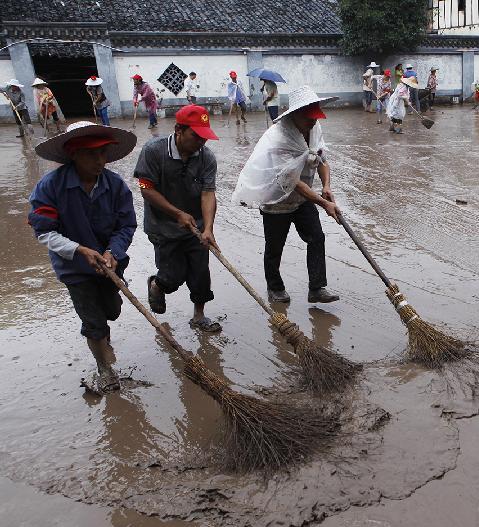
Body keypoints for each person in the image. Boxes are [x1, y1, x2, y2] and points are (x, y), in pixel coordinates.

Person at [28, 121, 138, 391]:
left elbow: (126, 225)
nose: (99, 160)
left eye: (103, 153)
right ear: (73, 154)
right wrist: (79, 249)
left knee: (111, 311)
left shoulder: (115, 186)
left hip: (110, 265)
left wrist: (112, 252)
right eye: (91, 153)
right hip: (75, 269)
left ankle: (102, 337)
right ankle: (104, 368)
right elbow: (44, 233)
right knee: (93, 321)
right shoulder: (50, 187)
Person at [232, 86, 342, 304]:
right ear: (296, 115)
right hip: (277, 199)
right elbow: (291, 181)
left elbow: (322, 159)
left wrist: (326, 186)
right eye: (309, 118)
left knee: (317, 237)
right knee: (275, 247)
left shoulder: (314, 127)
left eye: (315, 118)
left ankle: (317, 288)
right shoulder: (279, 137)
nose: (313, 122)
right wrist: (322, 203)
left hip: (303, 198)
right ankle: (275, 288)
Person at [133, 105, 222, 332]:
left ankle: (199, 316)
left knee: (201, 272)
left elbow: (208, 192)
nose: (201, 142)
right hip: (162, 227)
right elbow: (146, 188)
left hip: (196, 226)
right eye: (196, 136)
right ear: (179, 130)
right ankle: (158, 284)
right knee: (173, 276)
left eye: (205, 138)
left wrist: (208, 228)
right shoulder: (153, 151)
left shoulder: (206, 157)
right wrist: (177, 214)